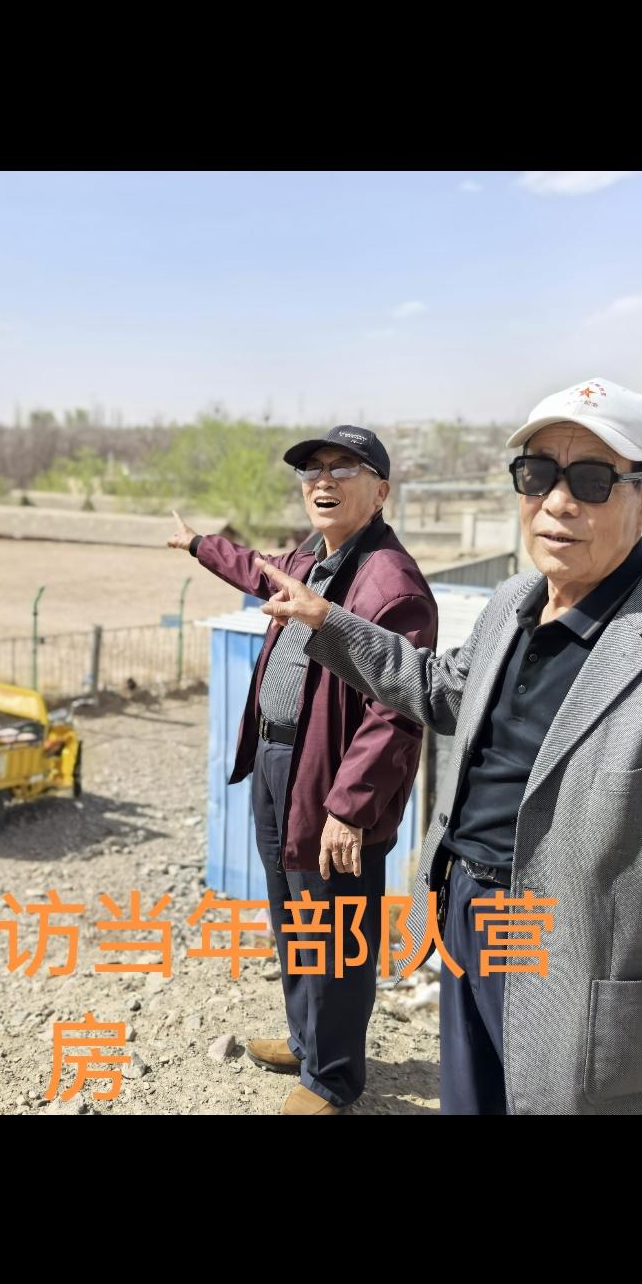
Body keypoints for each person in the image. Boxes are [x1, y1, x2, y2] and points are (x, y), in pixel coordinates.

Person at [257, 379, 642, 1116]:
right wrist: (326, 621)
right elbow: (439, 689)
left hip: (584, 963)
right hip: (469, 914)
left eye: (593, 481)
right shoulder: (513, 602)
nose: (558, 503)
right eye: (538, 476)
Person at [168, 426, 437, 1115]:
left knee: (337, 928)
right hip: (277, 759)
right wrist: (199, 545)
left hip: (331, 777)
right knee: (294, 916)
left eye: (344, 468)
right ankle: (307, 1042)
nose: (323, 480)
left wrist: (350, 807)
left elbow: (397, 711)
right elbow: (256, 570)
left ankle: (333, 1080)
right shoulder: (311, 558)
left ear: (380, 491)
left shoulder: (390, 582)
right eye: (313, 468)